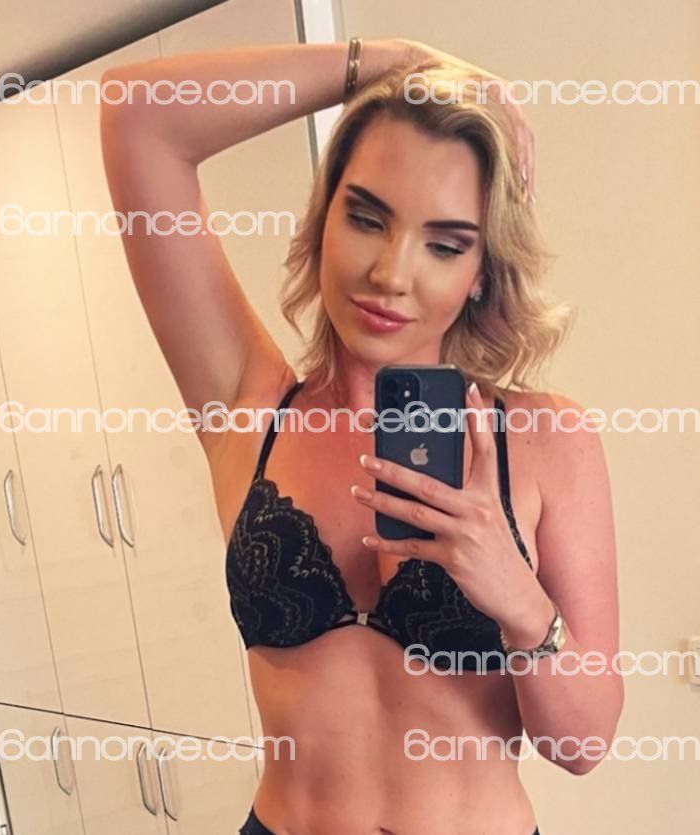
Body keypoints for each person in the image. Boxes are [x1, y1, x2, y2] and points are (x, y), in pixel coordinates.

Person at [100, 36, 623, 835]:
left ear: (479, 272)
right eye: (367, 218)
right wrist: (389, 61)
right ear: (323, 219)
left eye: (444, 244)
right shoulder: (248, 405)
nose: (390, 273)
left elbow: (581, 744)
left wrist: (518, 599)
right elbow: (137, 119)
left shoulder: (546, 437)